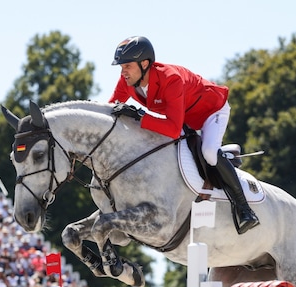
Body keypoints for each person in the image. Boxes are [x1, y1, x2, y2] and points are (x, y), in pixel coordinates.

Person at [109, 36, 259, 234]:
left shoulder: (170, 79)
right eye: (121, 67)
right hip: (184, 117)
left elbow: (172, 128)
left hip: (211, 111)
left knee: (209, 151)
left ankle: (245, 209)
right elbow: (110, 109)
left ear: (144, 63)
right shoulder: (127, 80)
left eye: (127, 66)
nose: (123, 72)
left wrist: (139, 116)